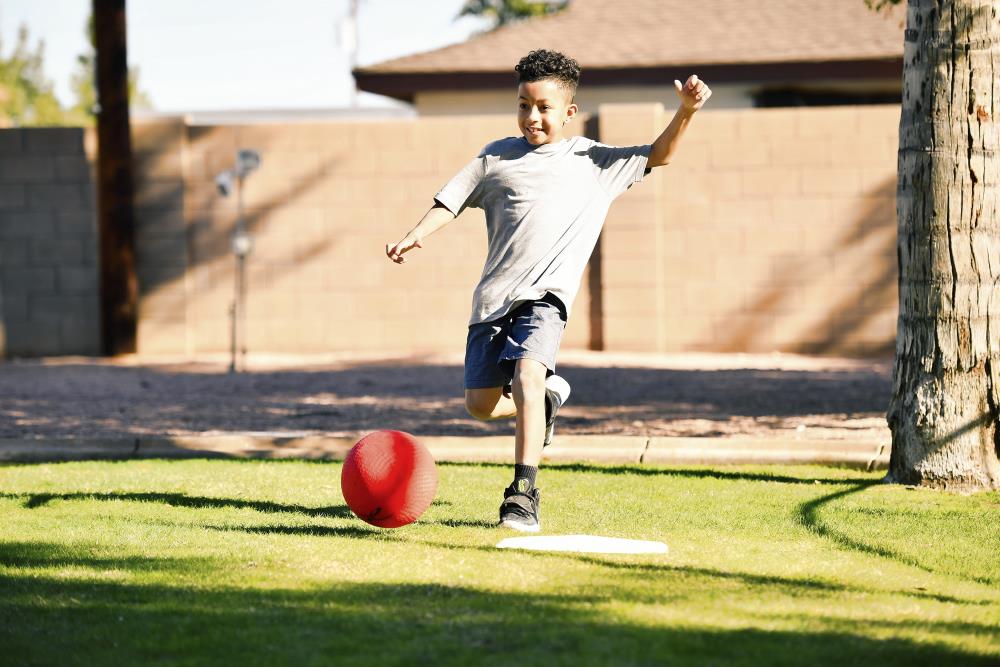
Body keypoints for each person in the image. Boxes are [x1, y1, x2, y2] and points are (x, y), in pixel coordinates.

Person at [386, 49, 710, 532]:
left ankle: (522, 493)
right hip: (493, 301)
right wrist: (416, 233)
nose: (532, 116)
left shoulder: (593, 161)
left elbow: (659, 154)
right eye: (523, 105)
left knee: (528, 376)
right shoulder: (495, 158)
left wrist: (685, 111)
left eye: (543, 107)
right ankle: (550, 400)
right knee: (480, 405)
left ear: (568, 113)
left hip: (547, 298)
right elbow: (448, 201)